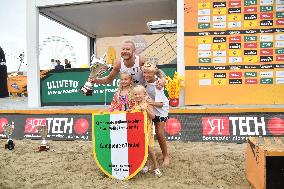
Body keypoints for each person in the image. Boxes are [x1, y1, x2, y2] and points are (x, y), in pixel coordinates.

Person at [89, 40, 166, 88]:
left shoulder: (141, 61)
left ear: (134, 51)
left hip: (142, 93)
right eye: (123, 49)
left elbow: (157, 71)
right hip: (127, 94)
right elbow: (109, 79)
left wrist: (162, 79)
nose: (125, 51)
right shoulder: (118, 64)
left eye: (128, 49)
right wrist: (95, 80)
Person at [130, 85, 162, 177]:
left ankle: (156, 167)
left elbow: (153, 116)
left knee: (150, 149)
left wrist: (146, 109)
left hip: (147, 130)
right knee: (142, 149)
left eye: (139, 94)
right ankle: (146, 165)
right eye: (135, 94)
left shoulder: (148, 103)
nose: (137, 96)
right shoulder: (134, 104)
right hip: (138, 130)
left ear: (144, 94)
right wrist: (130, 111)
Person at [142, 61, 170, 166]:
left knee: (159, 133)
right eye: (144, 73)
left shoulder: (157, 85)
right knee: (146, 132)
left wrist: (149, 102)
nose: (146, 75)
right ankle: (147, 156)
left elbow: (161, 104)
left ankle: (166, 155)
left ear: (154, 73)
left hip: (160, 109)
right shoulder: (144, 80)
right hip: (150, 107)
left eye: (149, 73)